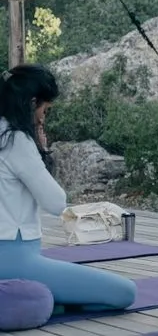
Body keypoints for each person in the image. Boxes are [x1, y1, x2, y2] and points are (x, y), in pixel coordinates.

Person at [0, 64, 136, 313]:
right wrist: (42, 152)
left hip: (13, 256)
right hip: (12, 260)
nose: (43, 118)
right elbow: (56, 203)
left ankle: (53, 302)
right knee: (125, 292)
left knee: (45, 296)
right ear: (32, 103)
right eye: (45, 110)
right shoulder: (15, 140)